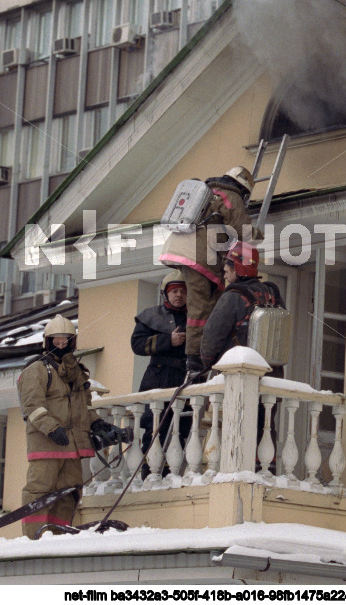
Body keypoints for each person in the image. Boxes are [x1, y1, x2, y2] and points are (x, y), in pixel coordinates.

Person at [16, 314, 121, 538]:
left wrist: (100, 425)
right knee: (39, 491)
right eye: (57, 341)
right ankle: (34, 537)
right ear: (48, 342)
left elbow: (84, 409)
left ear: (72, 342)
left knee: (70, 492)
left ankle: (59, 534)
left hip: (72, 447)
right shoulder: (36, 369)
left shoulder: (77, 374)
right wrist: (52, 428)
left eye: (66, 340)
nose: (61, 345)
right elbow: (32, 405)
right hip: (47, 444)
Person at [159, 166, 258, 379]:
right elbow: (242, 229)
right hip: (199, 256)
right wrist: (259, 233)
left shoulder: (208, 191)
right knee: (201, 305)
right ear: (244, 188)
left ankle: (204, 350)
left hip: (183, 250)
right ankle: (195, 359)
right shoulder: (231, 195)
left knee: (208, 301)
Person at [130, 271, 192, 469]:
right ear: (166, 293)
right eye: (174, 291)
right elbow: (137, 344)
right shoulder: (151, 316)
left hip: (185, 379)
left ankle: (172, 476)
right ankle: (150, 475)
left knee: (181, 430)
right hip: (157, 378)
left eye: (183, 291)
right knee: (154, 429)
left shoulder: (195, 317)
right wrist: (168, 340)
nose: (179, 295)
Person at [199, 241, 286, 375]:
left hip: (239, 374)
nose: (225, 276)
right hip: (273, 375)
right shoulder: (274, 295)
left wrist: (207, 361)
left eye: (227, 271)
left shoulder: (233, 296)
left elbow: (212, 336)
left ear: (236, 269)